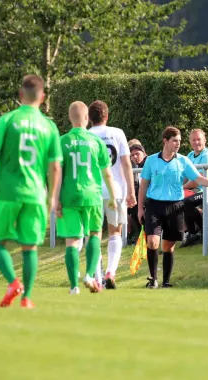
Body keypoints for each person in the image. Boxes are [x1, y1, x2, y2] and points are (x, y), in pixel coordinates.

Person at [0, 75, 62, 309]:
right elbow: (55, 166)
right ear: (42, 98)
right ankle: (27, 298)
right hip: (35, 194)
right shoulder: (49, 126)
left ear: (21, 95)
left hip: (7, 192)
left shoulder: (8, 120)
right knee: (30, 246)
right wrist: (53, 196)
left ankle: (13, 282)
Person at [138, 126, 208, 289]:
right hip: (154, 205)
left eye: (180, 141)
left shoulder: (183, 160)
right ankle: (153, 279)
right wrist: (141, 208)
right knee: (152, 242)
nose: (178, 144)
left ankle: (166, 282)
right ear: (165, 141)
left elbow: (197, 178)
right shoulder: (151, 160)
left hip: (175, 206)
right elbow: (143, 185)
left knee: (168, 246)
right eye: (175, 141)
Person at [56, 101, 118, 295]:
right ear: (86, 118)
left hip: (69, 196)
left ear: (70, 118)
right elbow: (107, 173)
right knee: (94, 235)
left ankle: (74, 285)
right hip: (92, 195)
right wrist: (113, 196)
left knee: (72, 241)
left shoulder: (61, 142)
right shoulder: (96, 142)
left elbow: (56, 173)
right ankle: (90, 275)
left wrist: (55, 199)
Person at [88, 100, 137, 289]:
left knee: (94, 234)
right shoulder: (117, 133)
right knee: (115, 231)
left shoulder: (86, 136)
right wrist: (131, 191)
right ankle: (111, 271)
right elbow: (126, 163)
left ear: (89, 119)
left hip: (92, 191)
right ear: (107, 116)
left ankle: (98, 277)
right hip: (115, 189)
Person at [128, 143, 147, 244]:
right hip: (143, 197)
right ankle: (140, 237)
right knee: (132, 206)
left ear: (144, 154)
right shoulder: (136, 167)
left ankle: (144, 237)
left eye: (137, 154)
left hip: (154, 197)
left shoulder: (148, 163)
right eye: (132, 155)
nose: (135, 157)